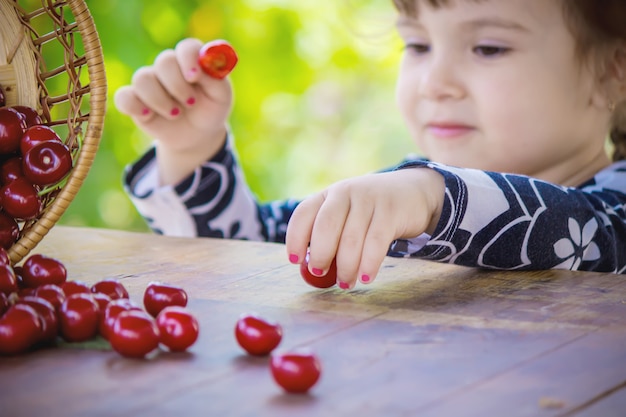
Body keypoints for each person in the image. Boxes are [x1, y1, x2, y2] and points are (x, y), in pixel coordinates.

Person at [115, 0, 626, 288]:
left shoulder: (612, 217)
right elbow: (245, 254)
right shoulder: (414, 201)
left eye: (488, 47)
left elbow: (585, 230)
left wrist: (431, 196)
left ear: (612, 73)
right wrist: (192, 152)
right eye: (418, 45)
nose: (434, 82)